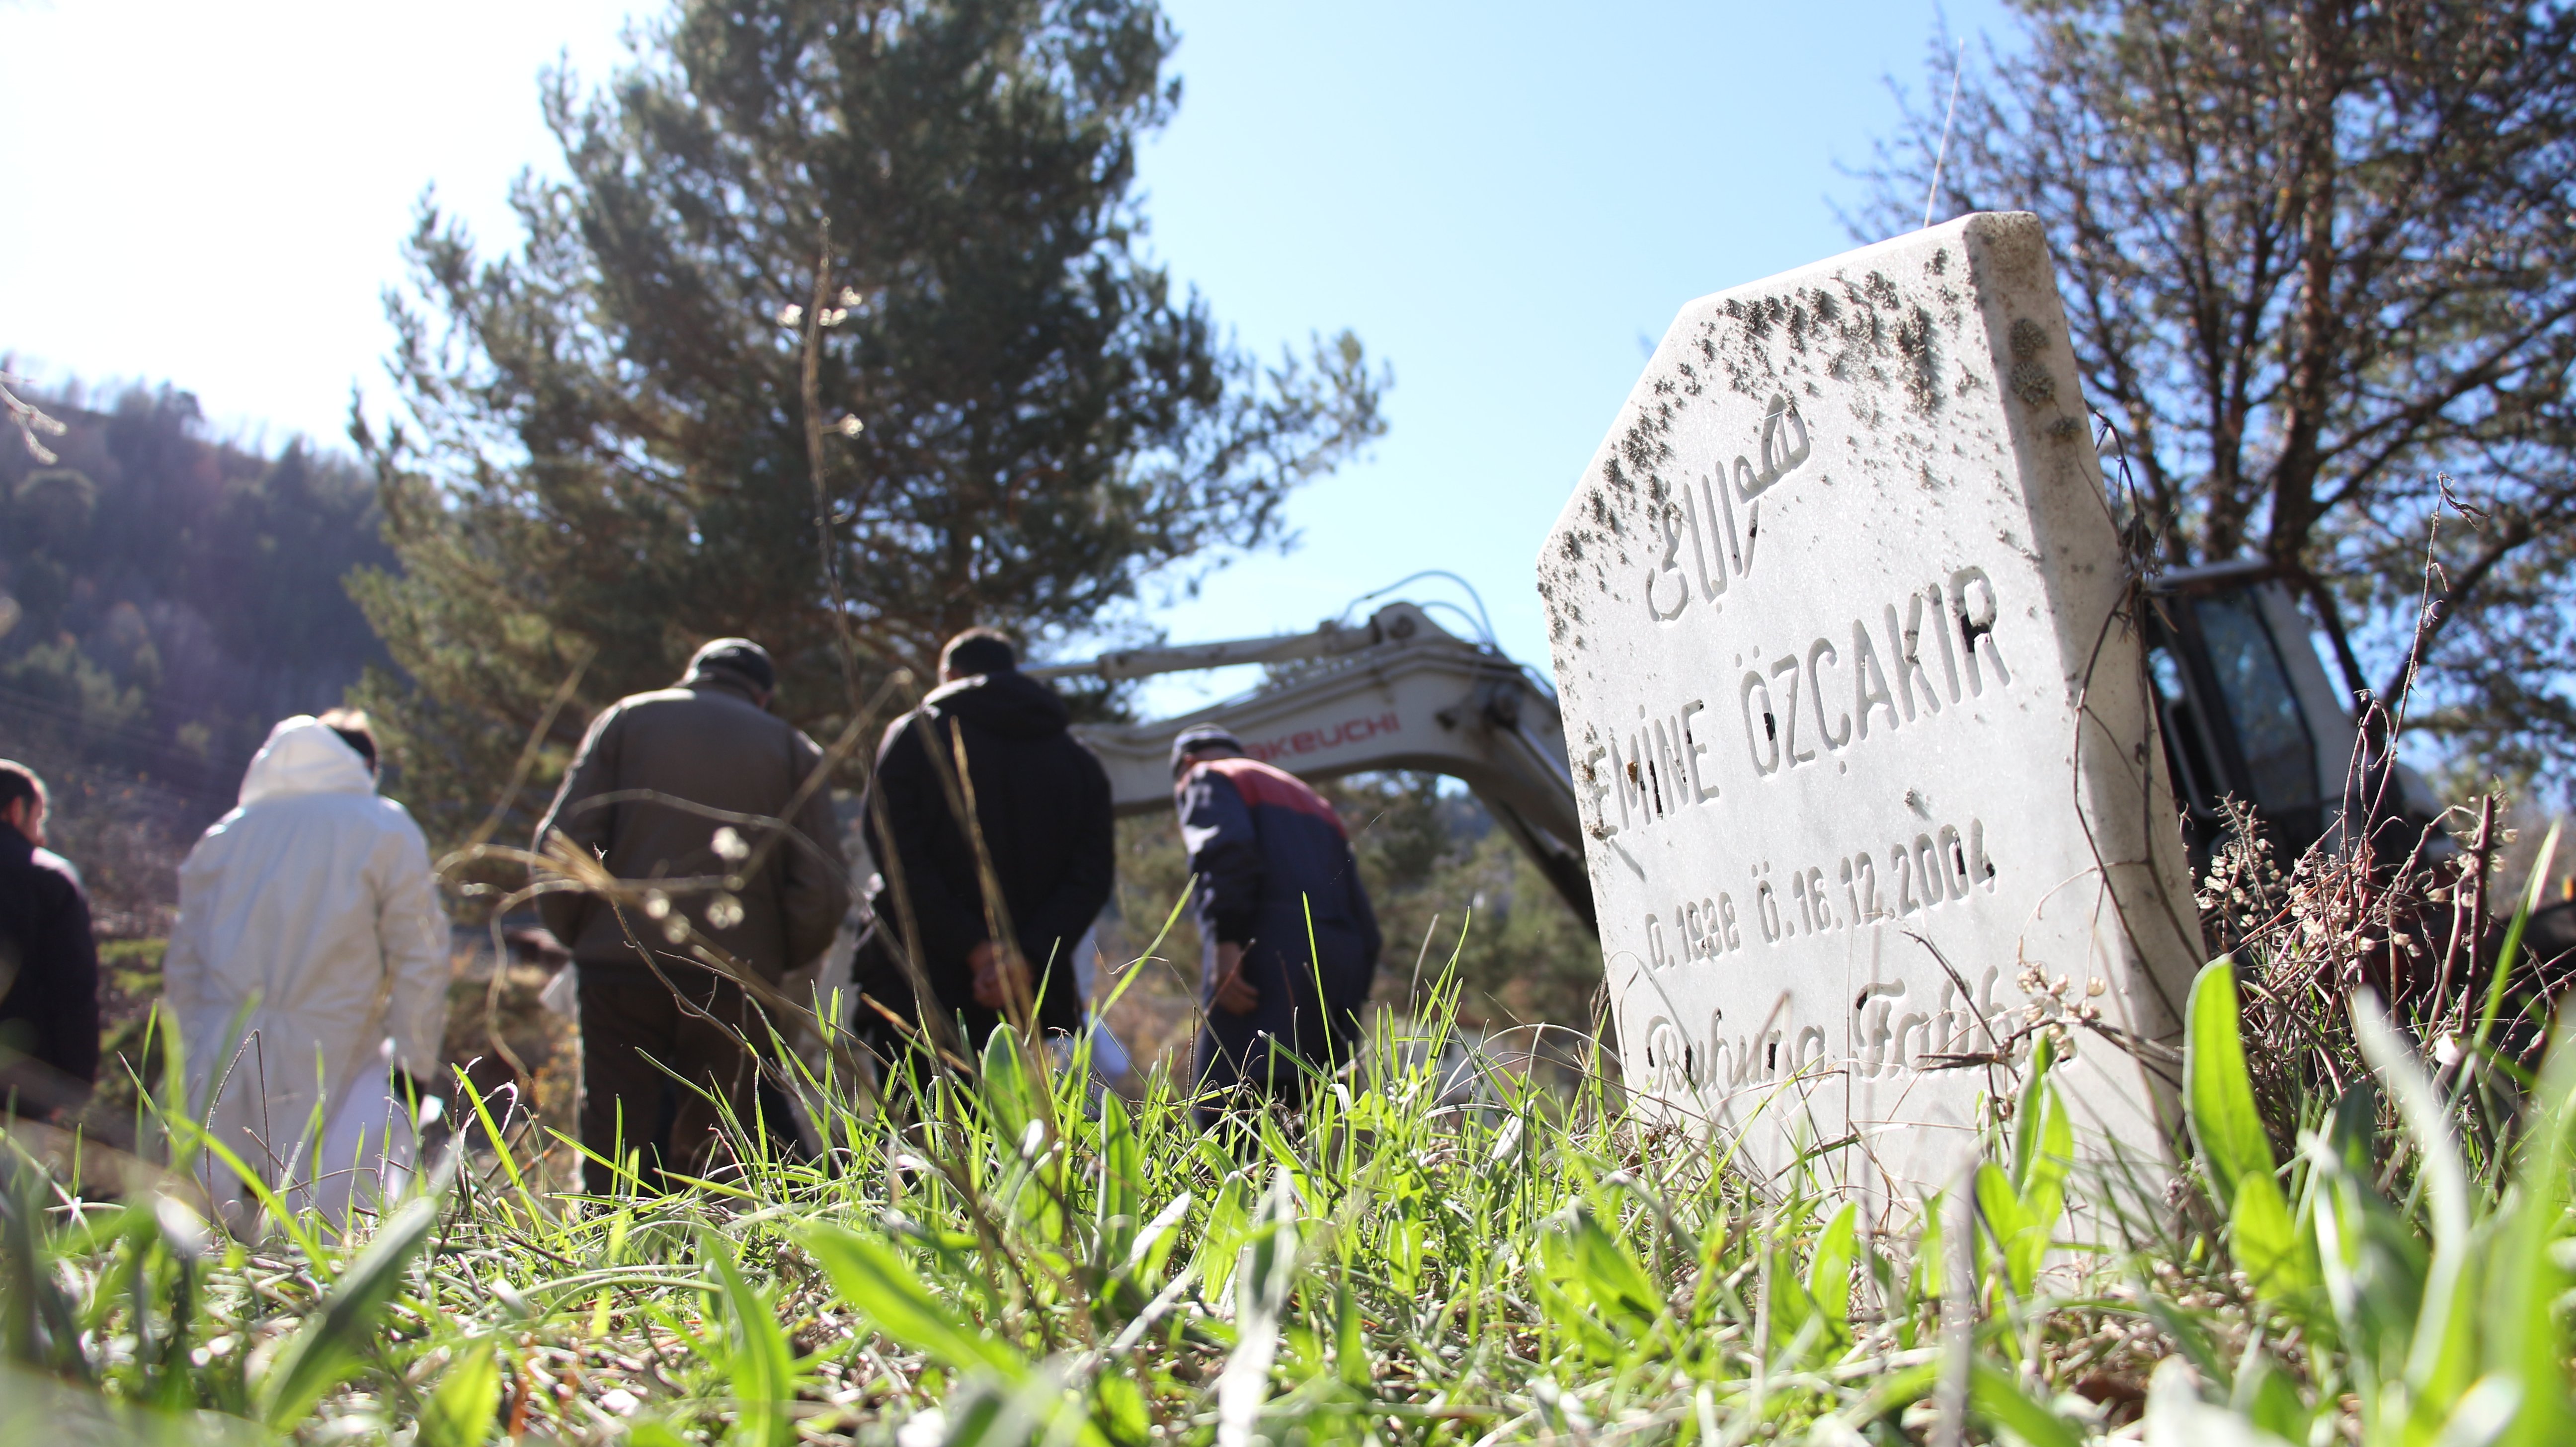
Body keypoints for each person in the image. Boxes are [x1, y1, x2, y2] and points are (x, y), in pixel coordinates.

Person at [535, 638, 851, 1193]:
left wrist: (580, 930)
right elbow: (822, 884)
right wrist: (779, 956)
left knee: (616, 1134)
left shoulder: (627, 719)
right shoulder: (790, 746)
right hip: (736, 970)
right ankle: (718, 1264)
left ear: (694, 674)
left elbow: (564, 841)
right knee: (722, 1140)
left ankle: (611, 1260)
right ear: (765, 693)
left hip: (619, 960)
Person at [163, 713, 449, 1228]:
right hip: (333, 1048)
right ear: (364, 766)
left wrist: (188, 1048)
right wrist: (413, 1063)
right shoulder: (384, 826)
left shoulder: (225, 836)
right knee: (315, 1228)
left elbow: (184, 963)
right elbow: (421, 956)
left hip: (220, 1047)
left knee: (214, 1223)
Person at [859, 629, 1114, 1060]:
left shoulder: (915, 735)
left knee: (921, 1123)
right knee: (1025, 1125)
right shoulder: (1078, 759)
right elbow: (1091, 876)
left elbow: (893, 852)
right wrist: (1027, 958)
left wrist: (974, 949)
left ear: (950, 674)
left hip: (919, 983)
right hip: (1031, 993)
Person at [1168, 726, 1381, 1124]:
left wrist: (1227, 942)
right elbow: (1365, 919)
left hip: (1264, 962)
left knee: (1226, 1111)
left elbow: (1225, 852)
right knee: (1310, 1118)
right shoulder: (1314, 800)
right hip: (1338, 970)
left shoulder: (1209, 776)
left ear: (1188, 764)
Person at [0, 760, 99, 1124]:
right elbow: (72, 989)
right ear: (15, 810)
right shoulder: (48, 879)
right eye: (38, 820)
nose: (41, 837)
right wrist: (73, 1083)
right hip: (20, 1089)